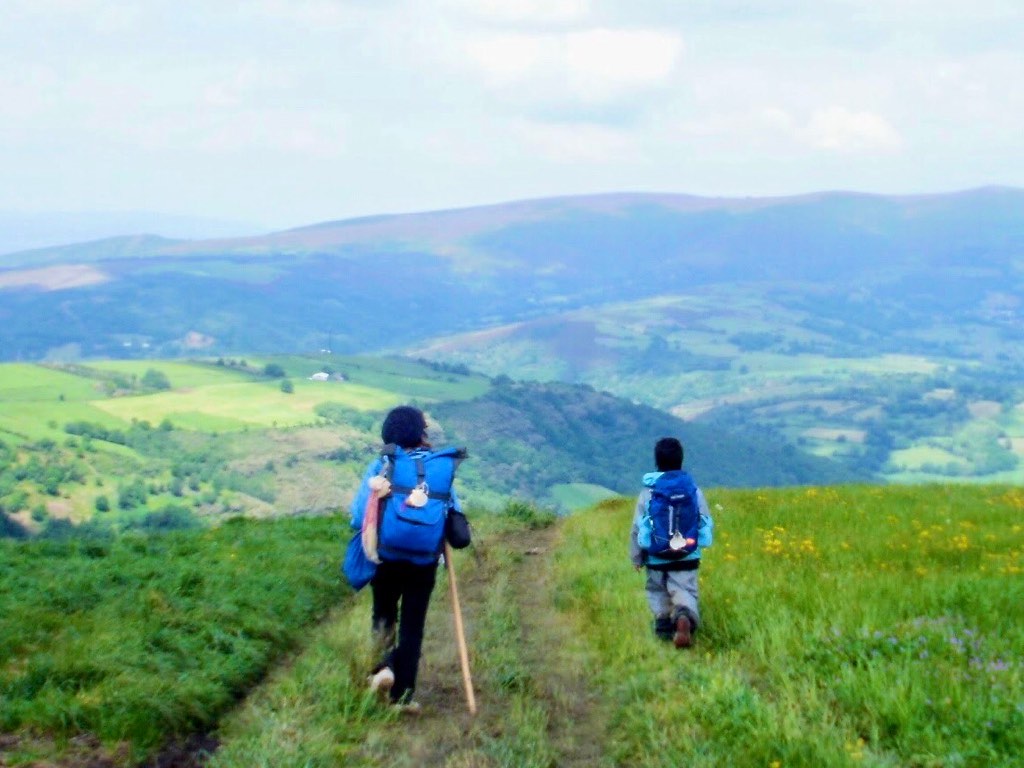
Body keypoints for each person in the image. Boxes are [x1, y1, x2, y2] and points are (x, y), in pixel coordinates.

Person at [348, 405, 463, 711]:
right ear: (420, 433)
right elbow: (452, 512)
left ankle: (383, 668)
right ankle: (403, 695)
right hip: (424, 563)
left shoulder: (382, 465)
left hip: (386, 558)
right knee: (414, 625)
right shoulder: (439, 467)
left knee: (383, 614)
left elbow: (359, 514)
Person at [629, 437, 713, 648]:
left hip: (656, 556)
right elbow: (704, 520)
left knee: (657, 590)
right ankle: (684, 616)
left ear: (657, 462)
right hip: (687, 554)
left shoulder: (648, 492)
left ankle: (663, 625)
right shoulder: (692, 489)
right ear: (681, 460)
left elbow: (637, 527)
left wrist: (637, 556)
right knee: (685, 590)